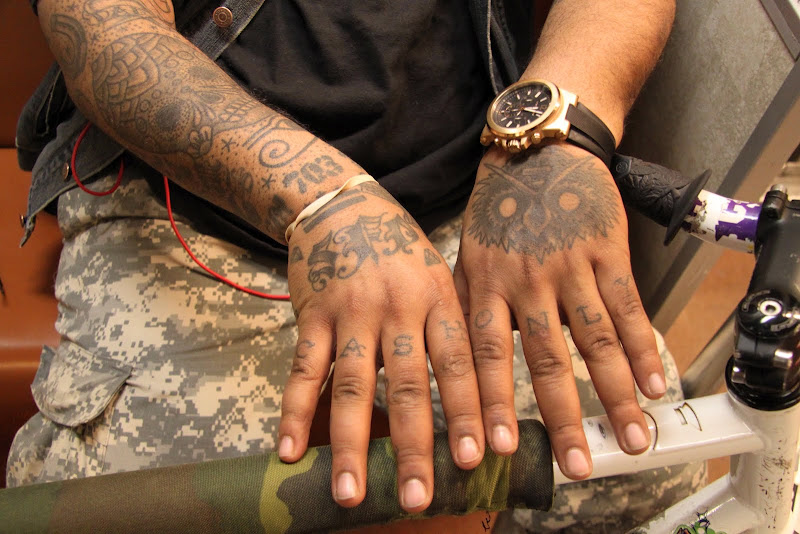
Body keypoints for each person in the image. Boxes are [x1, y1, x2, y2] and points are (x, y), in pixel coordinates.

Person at [8, 0, 703, 530]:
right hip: (189, 211)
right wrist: (323, 197)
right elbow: (101, 26)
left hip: (464, 206)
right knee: (101, 515)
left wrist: (552, 135)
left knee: (654, 471)